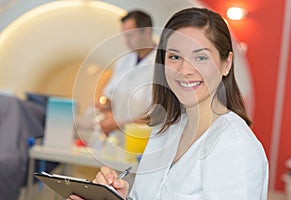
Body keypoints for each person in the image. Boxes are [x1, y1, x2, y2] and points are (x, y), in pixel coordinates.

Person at [68, 7, 269, 200]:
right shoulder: (164, 130)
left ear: (227, 64)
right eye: (174, 57)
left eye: (201, 57)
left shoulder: (235, 146)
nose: (184, 70)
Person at [96, 10, 156, 136]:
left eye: (130, 35)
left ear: (147, 31)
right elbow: (109, 95)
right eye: (125, 36)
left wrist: (119, 123)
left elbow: (156, 115)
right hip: (117, 135)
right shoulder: (124, 61)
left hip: (144, 137)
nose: (126, 41)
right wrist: (105, 106)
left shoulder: (162, 65)